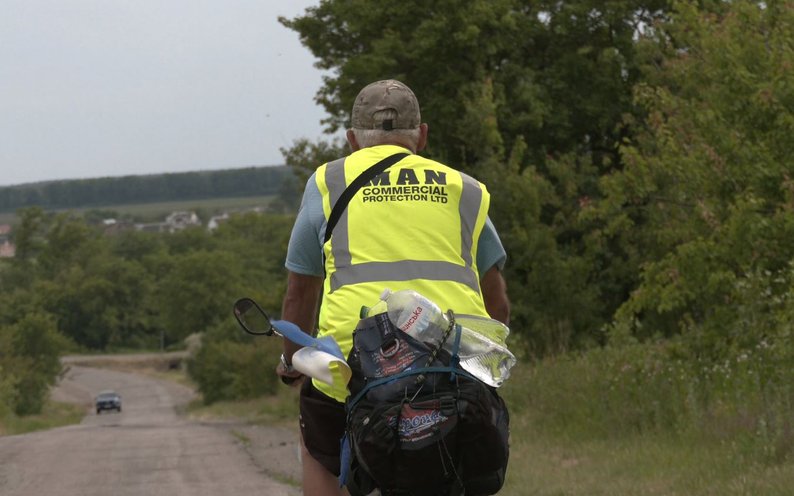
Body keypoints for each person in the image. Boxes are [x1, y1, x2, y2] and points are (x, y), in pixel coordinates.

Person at [277, 79, 510, 495]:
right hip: (451, 360)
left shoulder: (328, 183)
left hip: (353, 366)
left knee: (317, 444)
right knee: (471, 449)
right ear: (421, 135)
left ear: (352, 140)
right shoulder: (465, 189)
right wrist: (485, 363)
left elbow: (299, 293)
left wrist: (292, 361)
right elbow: (498, 303)